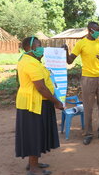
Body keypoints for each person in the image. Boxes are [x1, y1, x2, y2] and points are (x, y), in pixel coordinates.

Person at [16, 36, 64, 175]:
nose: (42, 48)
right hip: (32, 104)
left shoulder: (30, 60)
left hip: (36, 102)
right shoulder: (30, 63)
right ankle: (33, 168)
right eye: (39, 45)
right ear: (31, 48)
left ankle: (34, 162)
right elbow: (41, 88)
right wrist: (56, 101)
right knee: (34, 134)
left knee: (36, 134)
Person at [63, 22, 99, 145]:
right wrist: (66, 51)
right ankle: (88, 134)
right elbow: (69, 61)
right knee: (88, 108)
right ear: (90, 30)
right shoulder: (81, 43)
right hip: (88, 79)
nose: (98, 33)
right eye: (97, 30)